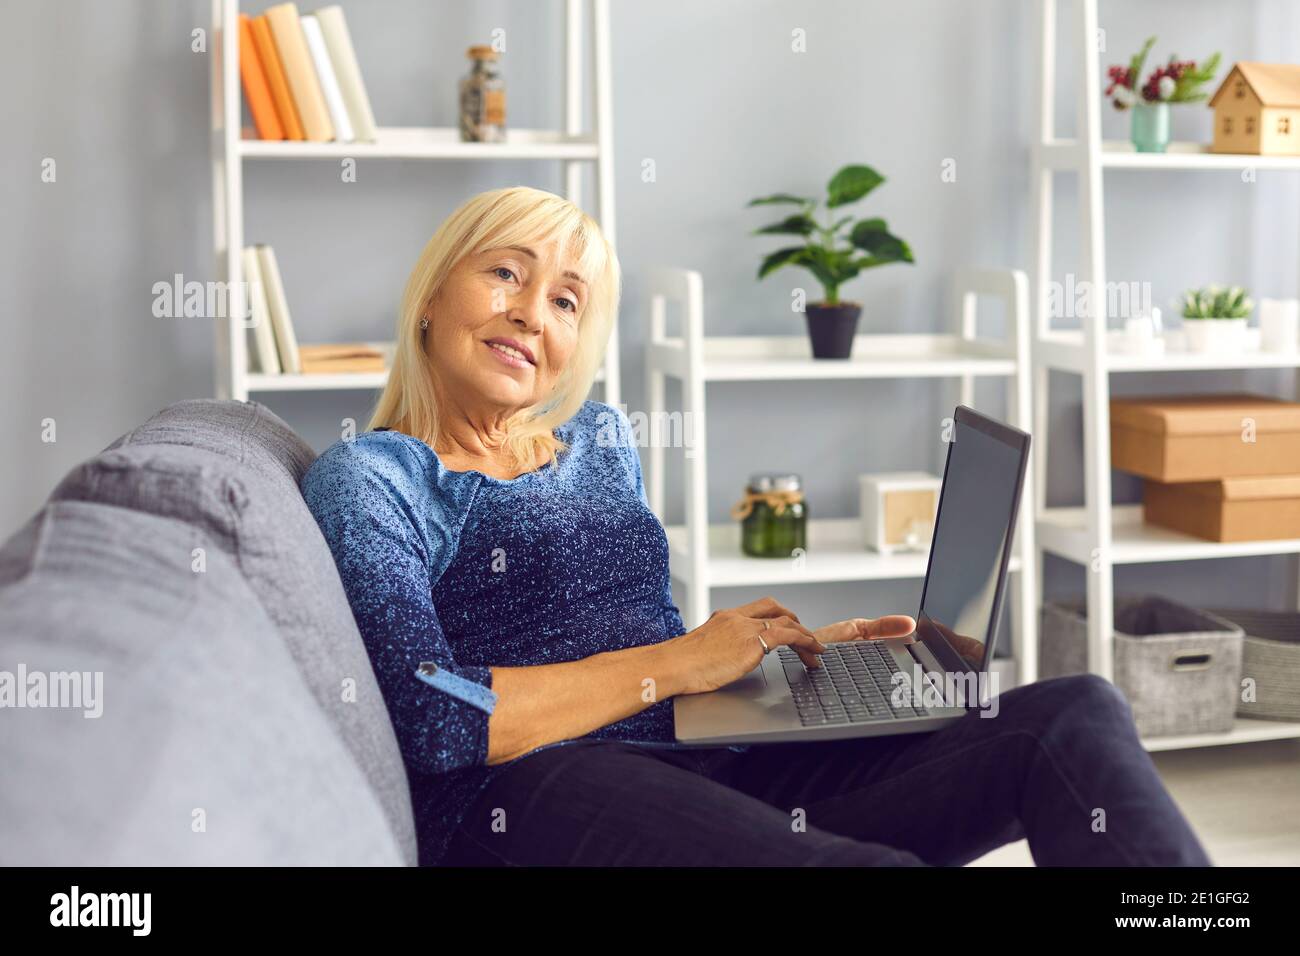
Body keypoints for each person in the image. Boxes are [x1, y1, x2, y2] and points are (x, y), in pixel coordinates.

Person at [301, 186, 1211, 867]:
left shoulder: (602, 442)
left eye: (567, 300)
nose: (532, 314)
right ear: (430, 296)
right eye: (505, 271)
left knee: (1072, 714)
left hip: (706, 753)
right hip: (529, 794)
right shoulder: (375, 478)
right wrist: (677, 663)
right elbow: (434, 717)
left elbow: (640, 638)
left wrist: (771, 668)